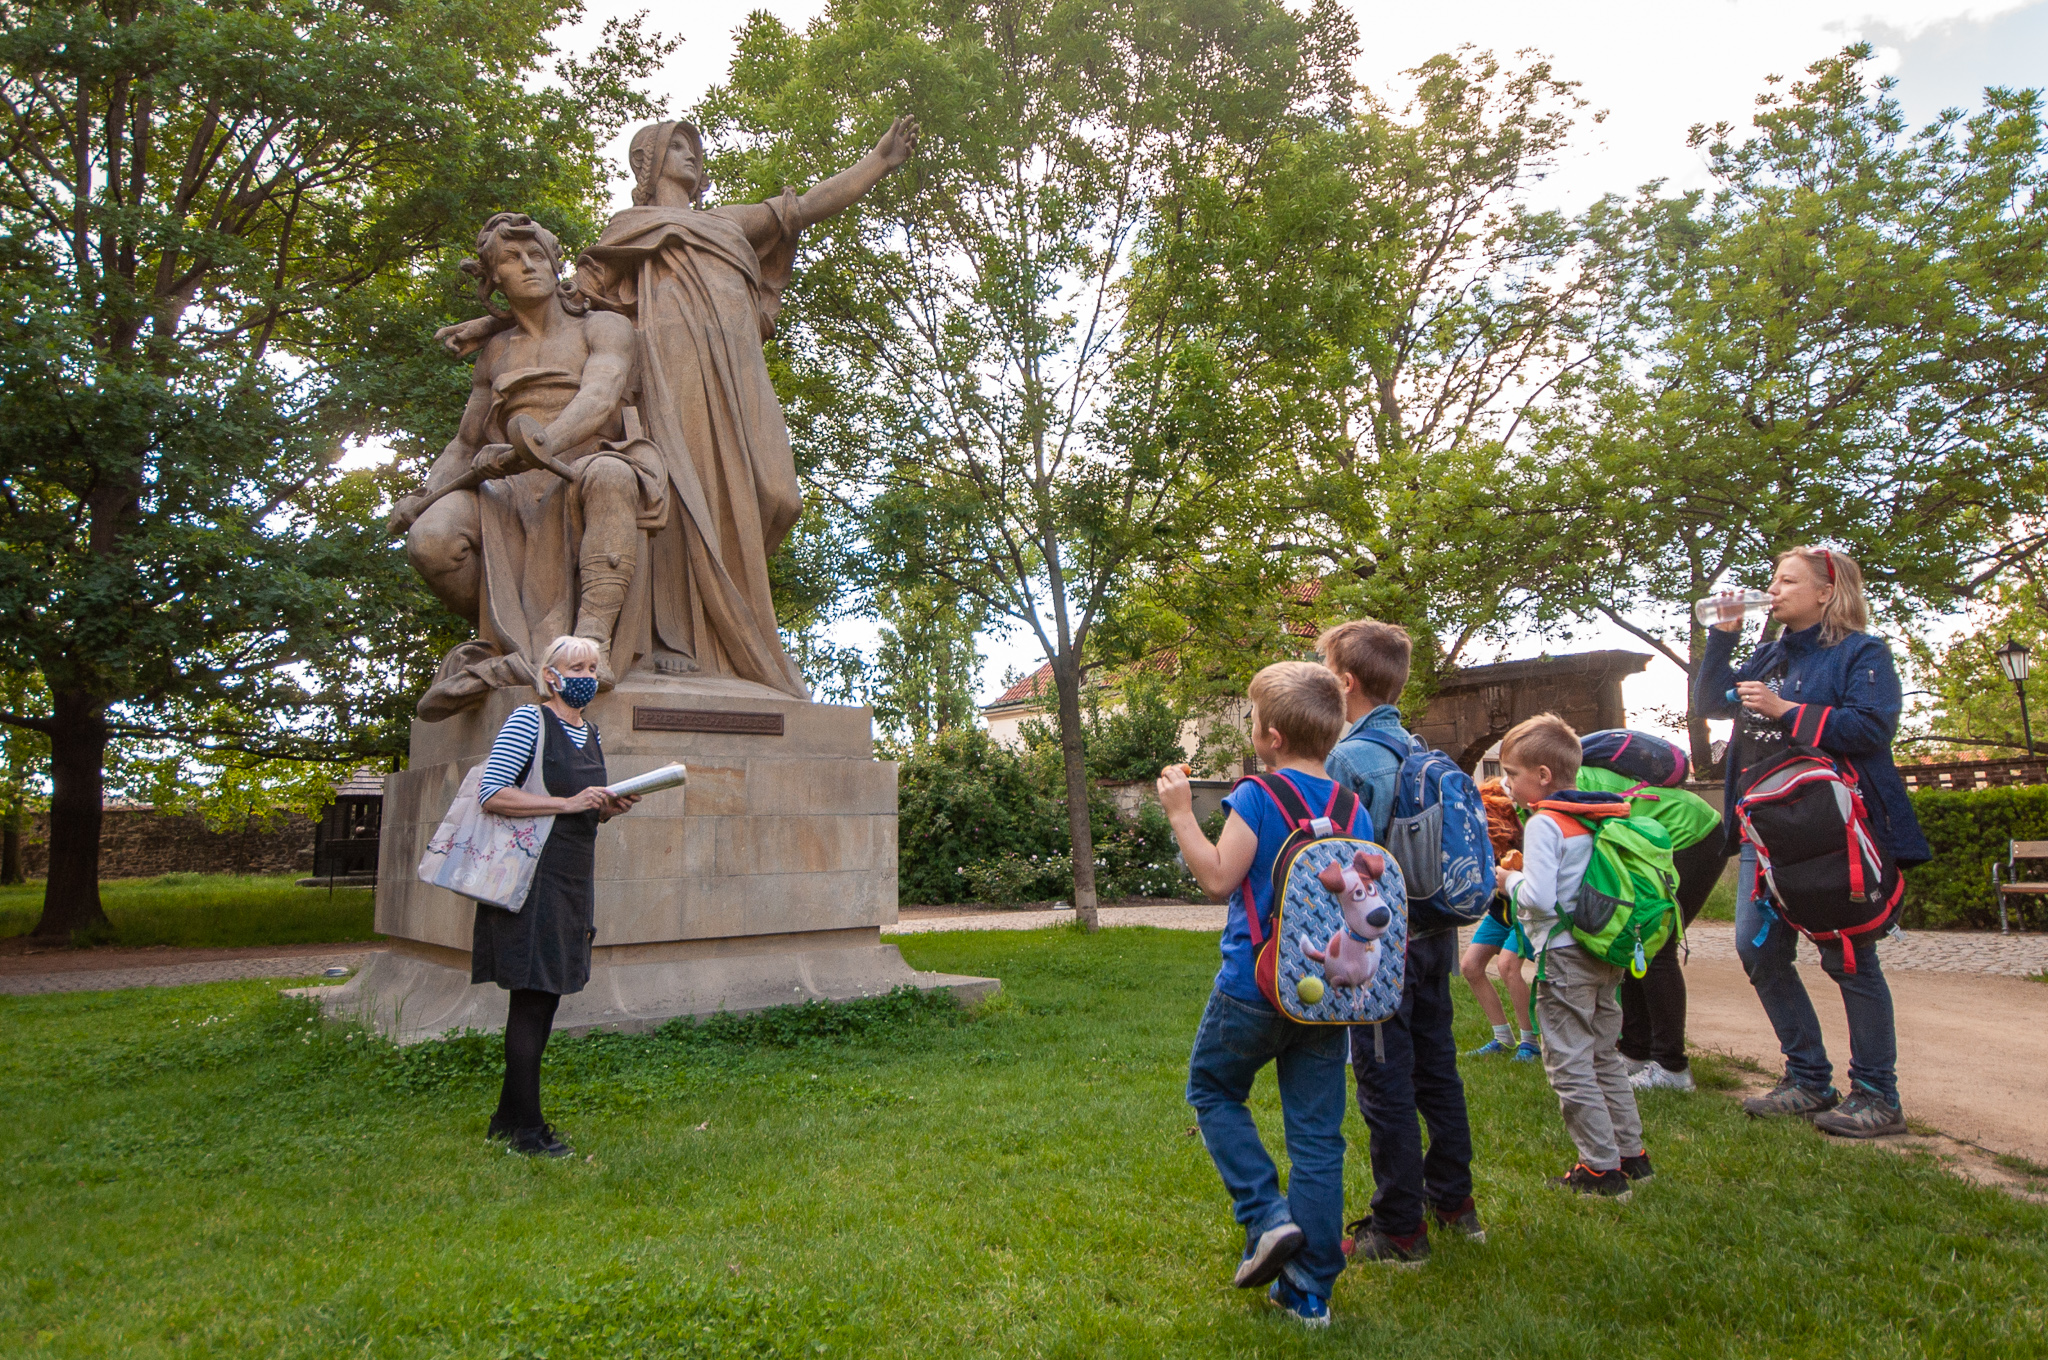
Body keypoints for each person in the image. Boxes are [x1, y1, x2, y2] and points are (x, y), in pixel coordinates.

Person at [397, 212, 671, 719]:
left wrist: (537, 446)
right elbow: (465, 442)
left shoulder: (602, 326)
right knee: (430, 540)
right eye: (511, 259)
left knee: (612, 475)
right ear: (493, 278)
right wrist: (425, 496)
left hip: (588, 461)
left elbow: (600, 395)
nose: (528, 265)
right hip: (508, 482)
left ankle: (591, 643)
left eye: (537, 255)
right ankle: (507, 640)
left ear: (554, 264)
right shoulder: (496, 351)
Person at [1696, 547, 1931, 1138]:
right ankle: (1807, 1079)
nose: (1773, 590)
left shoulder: (1861, 653)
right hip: (1765, 832)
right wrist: (1723, 637)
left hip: (1831, 831)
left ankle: (1877, 1095)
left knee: (1847, 955)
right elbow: (1709, 703)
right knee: (1758, 951)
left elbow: (1871, 727)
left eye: (1787, 581)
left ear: (1826, 592)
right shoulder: (1770, 654)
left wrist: (1786, 709)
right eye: (1773, 581)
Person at [1158, 662, 1352, 1327]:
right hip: (1328, 993)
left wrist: (1181, 813)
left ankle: (1266, 1216)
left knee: (1213, 1091)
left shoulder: (1259, 796)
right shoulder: (1351, 805)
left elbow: (1218, 877)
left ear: (1271, 737)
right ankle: (1310, 1292)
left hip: (1255, 986)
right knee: (1318, 1138)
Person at [1317, 621, 1483, 1264]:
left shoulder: (1350, 760)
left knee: (1384, 1078)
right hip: (1438, 935)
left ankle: (1399, 1228)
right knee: (1437, 1068)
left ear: (1346, 682)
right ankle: (1455, 1202)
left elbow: (1341, 862)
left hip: (1386, 949)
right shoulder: (1418, 749)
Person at [473, 635, 639, 1156]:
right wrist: (569, 803)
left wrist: (604, 808)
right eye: (577, 667)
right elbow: (492, 794)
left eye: (592, 667)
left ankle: (506, 1119)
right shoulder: (529, 720)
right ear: (551, 675)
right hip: (532, 878)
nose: (587, 675)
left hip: (571, 877)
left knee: (543, 1001)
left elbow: (580, 807)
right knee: (531, 1000)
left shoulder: (590, 732)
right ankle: (527, 1132)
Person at [1496, 713, 1650, 1200]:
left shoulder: (1546, 822)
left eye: (1512, 774)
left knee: (1569, 1064)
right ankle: (1632, 1155)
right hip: (1602, 953)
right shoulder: (1597, 812)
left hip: (1563, 956)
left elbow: (1540, 899)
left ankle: (1600, 1171)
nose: (1507, 784)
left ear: (1543, 775)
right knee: (1604, 1056)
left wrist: (1509, 881)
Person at [1570, 763, 1726, 1093]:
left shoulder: (1569, 787)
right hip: (1663, 835)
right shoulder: (1559, 782)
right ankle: (1635, 1053)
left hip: (1691, 835)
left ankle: (1671, 1068)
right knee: (1633, 941)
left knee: (1655, 943)